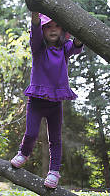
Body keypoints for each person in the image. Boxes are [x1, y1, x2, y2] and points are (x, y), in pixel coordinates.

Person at [10, 12, 83, 189]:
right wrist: (35, 12)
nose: (52, 29)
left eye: (57, 26)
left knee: (55, 139)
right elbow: (35, 29)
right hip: (36, 101)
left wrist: (79, 29)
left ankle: (54, 171)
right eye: (48, 26)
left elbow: (77, 44)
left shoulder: (65, 48)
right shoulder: (38, 47)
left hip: (55, 103)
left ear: (63, 30)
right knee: (31, 133)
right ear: (43, 30)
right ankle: (24, 153)